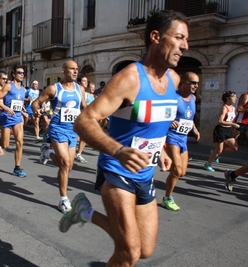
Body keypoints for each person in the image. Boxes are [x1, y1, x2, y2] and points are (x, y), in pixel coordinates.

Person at [58, 10, 188, 266]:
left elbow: (152, 121)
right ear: (155, 37)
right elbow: (83, 121)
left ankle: (84, 212)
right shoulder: (129, 79)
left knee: (145, 250)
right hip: (117, 171)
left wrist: (160, 149)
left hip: (145, 173)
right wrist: (118, 151)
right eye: (179, 38)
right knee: (129, 253)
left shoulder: (173, 79)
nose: (185, 46)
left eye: (186, 40)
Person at [32, 60, 87, 214]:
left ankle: (47, 152)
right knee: (64, 164)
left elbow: (84, 107)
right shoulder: (53, 89)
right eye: (72, 69)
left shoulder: (80, 89)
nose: (75, 72)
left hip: (72, 130)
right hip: (57, 128)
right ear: (63, 71)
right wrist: (36, 110)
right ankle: (63, 200)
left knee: (69, 166)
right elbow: (36, 103)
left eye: (77, 69)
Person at [161, 71, 201, 211]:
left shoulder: (193, 98)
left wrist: (195, 129)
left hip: (183, 138)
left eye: (197, 83)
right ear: (183, 82)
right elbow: (162, 113)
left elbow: (189, 118)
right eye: (193, 82)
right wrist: (169, 120)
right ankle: (167, 198)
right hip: (171, 136)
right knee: (177, 170)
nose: (196, 85)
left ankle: (163, 163)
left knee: (181, 172)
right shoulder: (173, 97)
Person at [0, 64, 27, 177]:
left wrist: (23, 110)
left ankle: (17, 167)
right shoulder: (9, 86)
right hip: (7, 117)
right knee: (5, 145)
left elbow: (19, 103)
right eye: (19, 72)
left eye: (23, 73)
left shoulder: (23, 89)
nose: (22, 75)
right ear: (14, 74)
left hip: (18, 118)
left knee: (20, 142)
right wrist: (7, 108)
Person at [203, 91, 239, 172]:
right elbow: (220, 121)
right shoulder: (224, 108)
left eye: (235, 97)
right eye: (234, 97)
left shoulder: (233, 108)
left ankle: (216, 153)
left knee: (235, 148)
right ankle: (208, 164)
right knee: (219, 150)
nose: (235, 98)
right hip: (221, 130)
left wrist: (233, 126)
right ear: (227, 98)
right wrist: (233, 124)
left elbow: (232, 119)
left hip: (229, 130)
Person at [75, 75, 90, 164]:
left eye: (87, 81)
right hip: (77, 115)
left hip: (82, 115)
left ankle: (78, 154)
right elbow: (83, 105)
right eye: (84, 81)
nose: (86, 83)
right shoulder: (79, 89)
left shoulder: (85, 91)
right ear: (79, 82)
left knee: (84, 135)